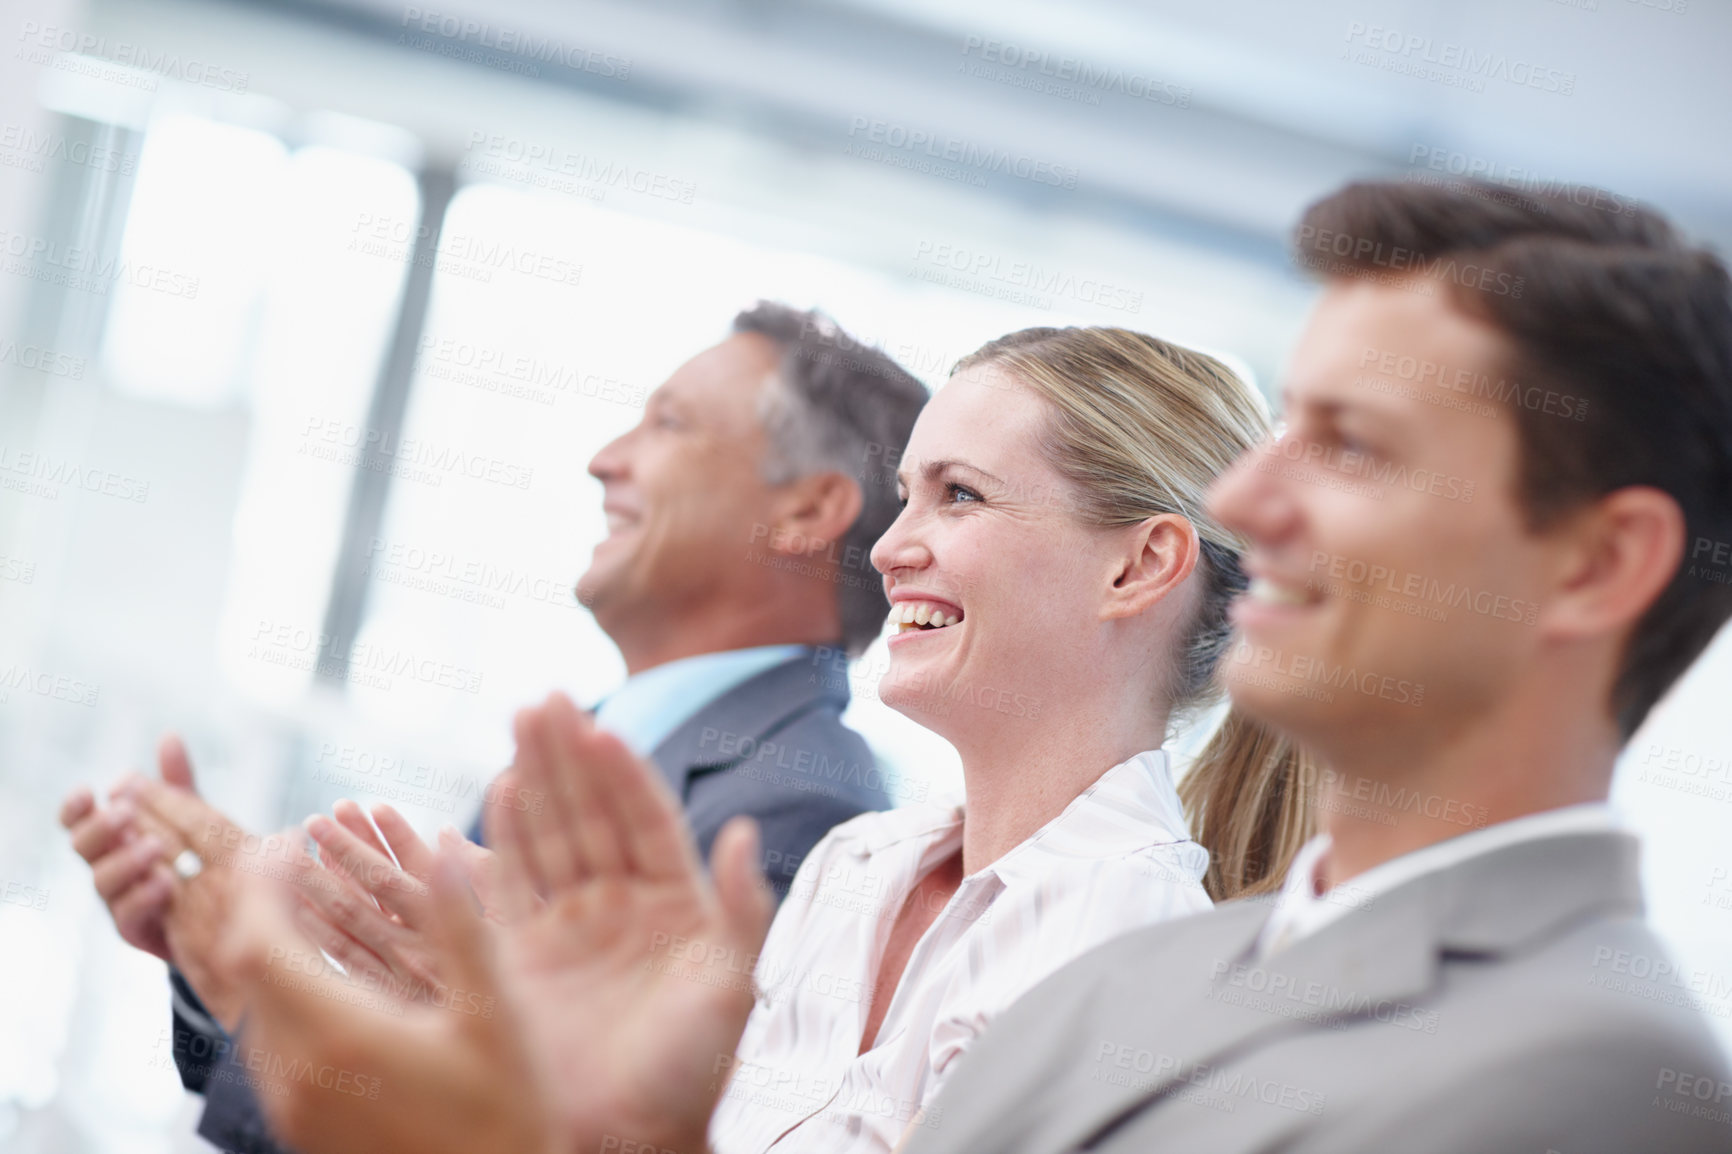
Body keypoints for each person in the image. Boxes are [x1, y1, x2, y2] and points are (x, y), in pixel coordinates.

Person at [179, 174, 1732, 1154]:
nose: (1254, 501)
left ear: (1596, 563)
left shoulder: (1602, 1077)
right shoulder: (1165, 969)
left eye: (1353, 446)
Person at [167, 322, 1318, 1154]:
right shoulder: (854, 868)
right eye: (906, 495)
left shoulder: (1126, 953)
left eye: (960, 495)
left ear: (1137, 564)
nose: (890, 546)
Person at [58, 301, 928, 1154]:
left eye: (669, 424)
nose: (603, 460)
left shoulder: (804, 816)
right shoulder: (596, 749)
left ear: (808, 513)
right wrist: (224, 958)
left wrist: (253, 986)